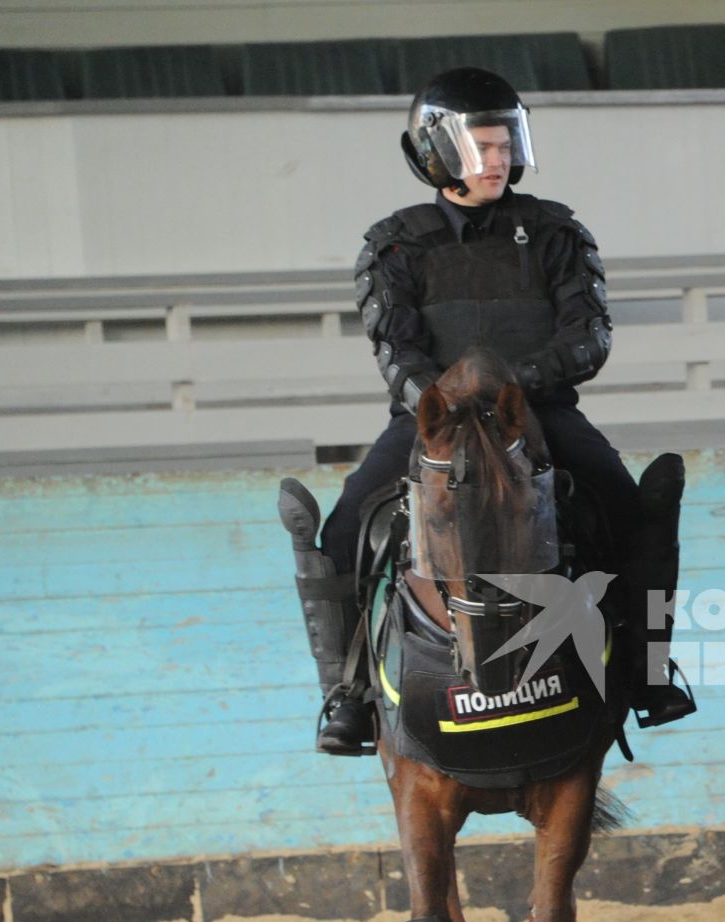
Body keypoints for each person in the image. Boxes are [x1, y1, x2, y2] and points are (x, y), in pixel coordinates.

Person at [292, 66, 694, 755]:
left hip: (538, 415)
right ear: (438, 152)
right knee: (344, 531)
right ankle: (348, 695)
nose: (500, 159)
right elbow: (396, 349)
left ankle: (649, 675)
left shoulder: (557, 232)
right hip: (433, 425)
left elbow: (590, 336)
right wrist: (443, 404)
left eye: (507, 144)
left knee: (636, 516)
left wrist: (516, 386)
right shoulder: (394, 244)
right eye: (484, 145)